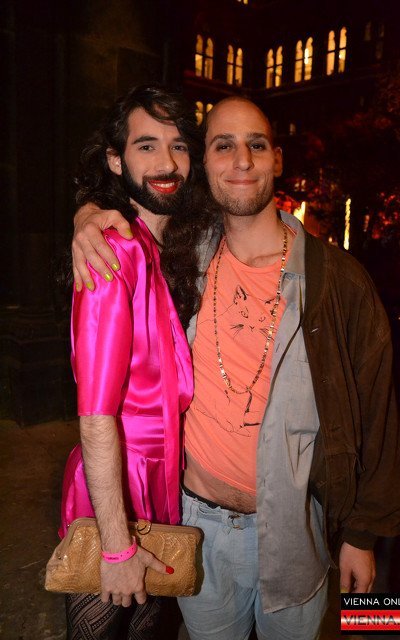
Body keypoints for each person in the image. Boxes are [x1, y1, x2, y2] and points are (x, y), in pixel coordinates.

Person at [72, 97, 400, 640]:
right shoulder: (183, 257)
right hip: (197, 530)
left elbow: (378, 414)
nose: (242, 160)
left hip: (297, 532)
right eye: (223, 145)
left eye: (256, 144)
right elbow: (129, 201)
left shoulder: (339, 281)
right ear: (203, 165)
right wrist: (88, 215)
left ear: (277, 158)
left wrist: (363, 535)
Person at [60, 85, 213, 639]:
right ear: (114, 160)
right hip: (115, 487)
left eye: (179, 145)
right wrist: (117, 545)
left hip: (164, 480)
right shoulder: (115, 251)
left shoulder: (173, 248)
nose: (167, 163)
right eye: (146, 146)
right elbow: (96, 414)